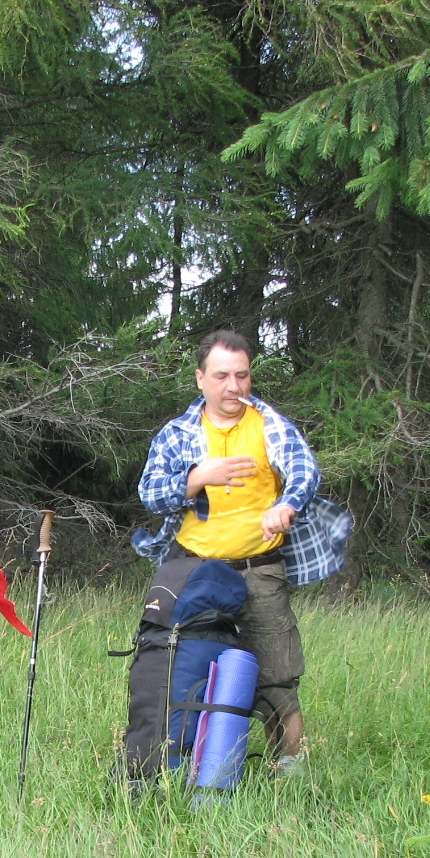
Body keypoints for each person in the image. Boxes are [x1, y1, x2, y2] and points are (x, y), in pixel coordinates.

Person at [133, 329, 350, 776]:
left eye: (242, 375)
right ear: (200, 379)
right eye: (222, 376)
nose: (233, 386)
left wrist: (287, 505)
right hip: (193, 573)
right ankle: (176, 766)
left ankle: (289, 770)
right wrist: (198, 477)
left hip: (260, 571)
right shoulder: (178, 434)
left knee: (276, 676)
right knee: (178, 666)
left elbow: (305, 472)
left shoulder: (271, 426)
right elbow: (150, 494)